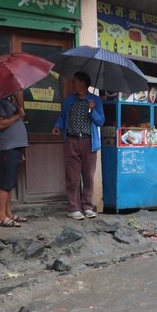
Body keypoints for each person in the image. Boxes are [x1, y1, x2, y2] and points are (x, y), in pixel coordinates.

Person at [52, 71, 105, 220]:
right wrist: (58, 125)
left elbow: (101, 121)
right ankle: (74, 207)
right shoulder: (70, 100)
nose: (73, 84)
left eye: (75, 81)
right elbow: (63, 117)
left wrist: (93, 109)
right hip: (71, 141)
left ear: (82, 83)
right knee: (73, 177)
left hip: (89, 142)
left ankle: (87, 206)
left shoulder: (96, 100)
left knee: (88, 176)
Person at [0, 92, 28, 228]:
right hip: (6, 148)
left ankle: (7, 213)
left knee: (9, 183)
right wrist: (17, 116)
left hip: (13, 148)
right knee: (5, 184)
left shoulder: (6, 102)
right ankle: (0, 216)